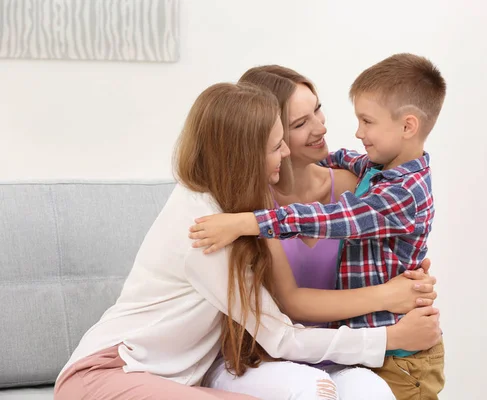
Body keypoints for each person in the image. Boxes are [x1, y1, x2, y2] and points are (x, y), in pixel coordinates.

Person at [53, 81, 438, 400]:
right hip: (106, 372)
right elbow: (281, 335)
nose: (287, 152)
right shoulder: (206, 225)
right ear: (243, 156)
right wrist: (386, 338)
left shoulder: (234, 211)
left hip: (166, 379)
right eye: (276, 145)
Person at [189, 53, 447, 399]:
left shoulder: (364, 185)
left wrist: (409, 287)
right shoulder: (249, 200)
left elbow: (337, 219)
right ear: (269, 135)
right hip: (273, 358)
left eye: (318, 109)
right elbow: (292, 302)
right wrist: (389, 295)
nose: (322, 127)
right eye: (299, 124)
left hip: (357, 354)